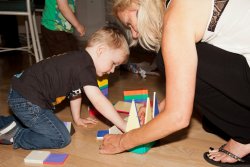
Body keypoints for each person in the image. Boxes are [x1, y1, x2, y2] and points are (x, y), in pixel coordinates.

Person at [99, 0, 250, 166]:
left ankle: (245, 138)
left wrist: (123, 141)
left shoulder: (175, 19)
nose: (134, 34)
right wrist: (157, 109)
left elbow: (178, 117)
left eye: (130, 23)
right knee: (211, 121)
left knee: (166, 57)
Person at [0, 25, 129, 150]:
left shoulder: (78, 60)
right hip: (28, 99)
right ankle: (16, 136)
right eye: (113, 64)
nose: (112, 70)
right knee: (60, 137)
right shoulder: (85, 67)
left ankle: (3, 124)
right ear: (101, 50)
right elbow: (99, 101)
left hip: (21, 93)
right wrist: (123, 125)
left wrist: (77, 118)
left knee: (30, 120)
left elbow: (75, 92)